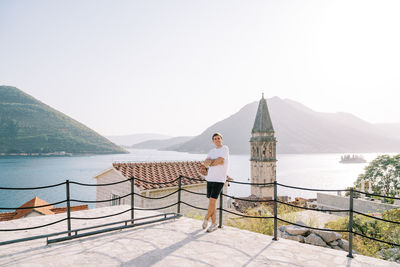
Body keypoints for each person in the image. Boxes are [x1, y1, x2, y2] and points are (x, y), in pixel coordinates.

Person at [202, 132, 229, 232]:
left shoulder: (225, 149)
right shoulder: (211, 151)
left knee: (212, 201)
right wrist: (214, 162)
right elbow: (205, 163)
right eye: (215, 139)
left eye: (218, 138)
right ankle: (213, 223)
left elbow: (221, 160)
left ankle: (206, 218)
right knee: (212, 202)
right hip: (210, 178)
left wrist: (211, 162)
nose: (217, 140)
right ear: (213, 141)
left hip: (219, 179)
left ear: (221, 139)